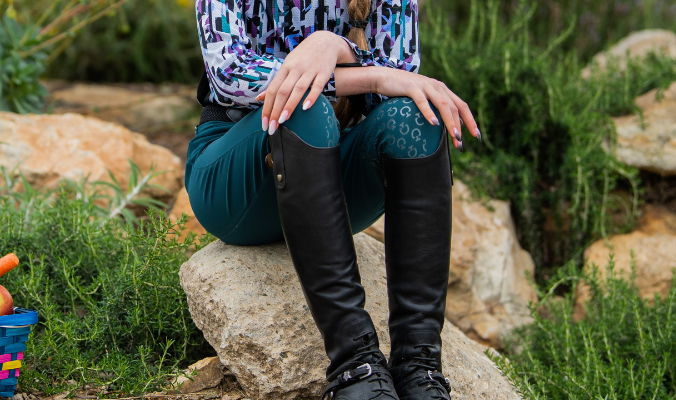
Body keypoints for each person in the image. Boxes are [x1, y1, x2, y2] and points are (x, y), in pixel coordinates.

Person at [187, 1, 481, 399]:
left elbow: (399, 89)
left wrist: (336, 46)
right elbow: (231, 76)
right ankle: (354, 366)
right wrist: (367, 72)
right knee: (302, 106)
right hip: (235, 182)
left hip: (330, 184)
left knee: (415, 115)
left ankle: (420, 368)